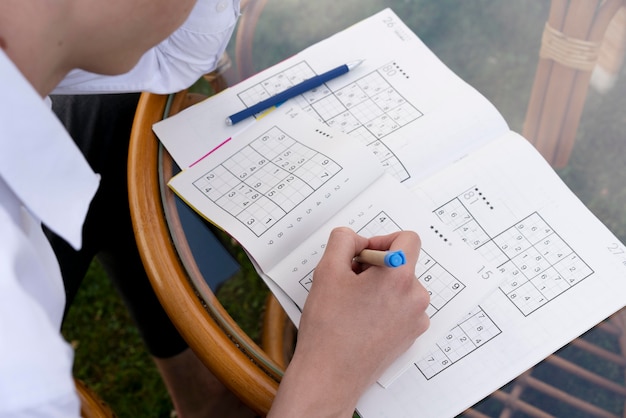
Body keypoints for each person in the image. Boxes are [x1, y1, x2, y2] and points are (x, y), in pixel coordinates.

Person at [0, 0, 431, 417]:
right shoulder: (23, 379)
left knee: (117, 118)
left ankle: (207, 405)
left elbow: (175, 56)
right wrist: (335, 370)